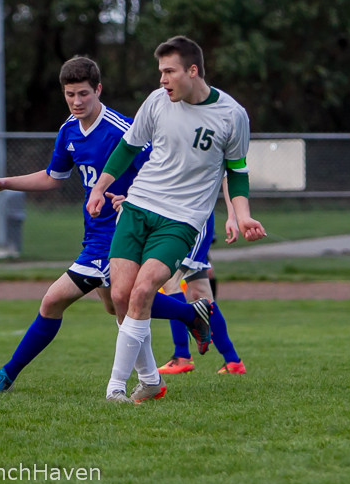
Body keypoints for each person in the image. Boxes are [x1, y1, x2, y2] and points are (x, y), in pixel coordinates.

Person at [0, 56, 210, 394]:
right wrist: (4, 183)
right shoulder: (69, 130)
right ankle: (176, 338)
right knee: (119, 307)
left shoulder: (122, 129)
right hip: (94, 234)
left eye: (83, 94)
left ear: (98, 89)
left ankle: (5, 376)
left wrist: (133, 198)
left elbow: (164, 168)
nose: (77, 102)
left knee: (53, 301)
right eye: (70, 95)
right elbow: (53, 177)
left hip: (120, 235)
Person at [86, 35, 266, 404]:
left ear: (193, 71)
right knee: (119, 297)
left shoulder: (232, 115)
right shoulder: (156, 102)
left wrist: (243, 215)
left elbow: (238, 171)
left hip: (181, 220)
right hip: (137, 208)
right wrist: (100, 188)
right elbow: (128, 146)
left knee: (142, 292)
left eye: (169, 72)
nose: (162, 80)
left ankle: (115, 389)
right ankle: (151, 381)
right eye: (160, 72)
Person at [157, 183, 246, 375]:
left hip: (194, 219)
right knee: (201, 294)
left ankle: (181, 356)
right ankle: (232, 361)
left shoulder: (217, 151)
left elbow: (229, 177)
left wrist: (233, 217)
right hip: (176, 216)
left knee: (170, 281)